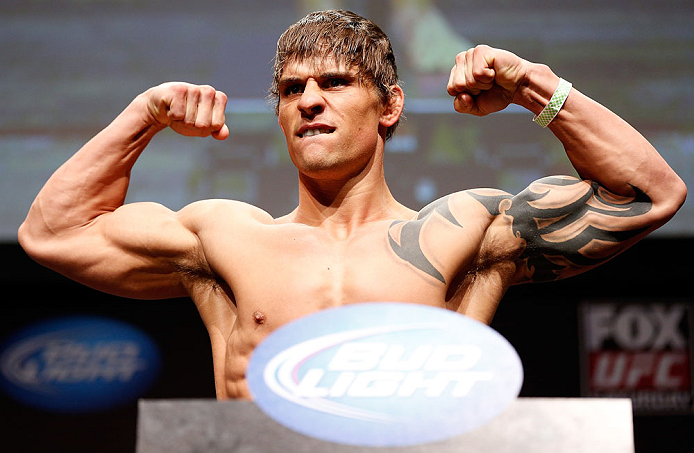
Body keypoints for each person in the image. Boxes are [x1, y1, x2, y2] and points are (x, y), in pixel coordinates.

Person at [18, 10, 686, 400]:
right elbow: (52, 232)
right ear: (278, 114)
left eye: (335, 82)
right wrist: (144, 115)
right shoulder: (223, 239)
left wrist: (533, 86)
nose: (309, 99)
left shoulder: (464, 230)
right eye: (291, 89)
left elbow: (648, 194)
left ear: (390, 106)